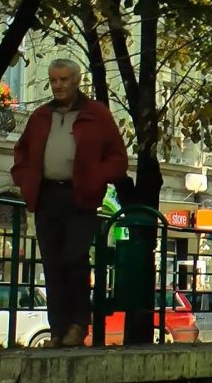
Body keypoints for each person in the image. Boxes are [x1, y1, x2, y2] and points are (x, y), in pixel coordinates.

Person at [11, 59, 128, 348]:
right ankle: (57, 330)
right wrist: (26, 182)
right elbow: (22, 152)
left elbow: (118, 159)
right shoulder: (41, 116)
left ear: (77, 81)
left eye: (64, 79)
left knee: (74, 259)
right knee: (52, 265)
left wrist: (95, 177)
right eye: (53, 80)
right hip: (46, 196)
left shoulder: (96, 115)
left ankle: (78, 325)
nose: (59, 85)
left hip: (80, 197)